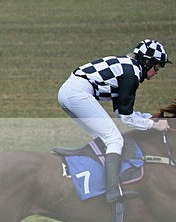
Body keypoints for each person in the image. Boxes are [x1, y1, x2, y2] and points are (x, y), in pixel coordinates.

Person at [57, 39, 170, 203]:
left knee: (105, 138)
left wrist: (146, 118)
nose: (157, 72)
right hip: (77, 94)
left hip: (69, 92)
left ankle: (97, 178)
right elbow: (126, 118)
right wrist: (154, 125)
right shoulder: (131, 74)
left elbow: (121, 111)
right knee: (114, 139)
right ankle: (112, 191)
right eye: (157, 67)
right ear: (147, 62)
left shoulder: (127, 67)